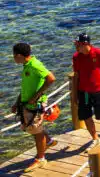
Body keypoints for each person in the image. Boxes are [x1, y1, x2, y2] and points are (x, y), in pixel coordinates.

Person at [11, 43, 57, 172]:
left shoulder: (35, 65)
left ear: (19, 55)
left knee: (36, 132)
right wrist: (17, 102)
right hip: (26, 104)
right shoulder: (26, 66)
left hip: (34, 105)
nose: (13, 58)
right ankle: (48, 141)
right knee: (34, 128)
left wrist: (37, 96)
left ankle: (41, 159)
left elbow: (51, 78)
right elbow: (26, 87)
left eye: (14, 55)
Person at [72, 34, 100, 147]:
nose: (76, 46)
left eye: (77, 44)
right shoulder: (76, 57)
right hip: (84, 91)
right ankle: (95, 138)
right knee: (85, 114)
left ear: (85, 44)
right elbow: (76, 75)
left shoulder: (99, 53)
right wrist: (75, 95)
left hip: (98, 88)